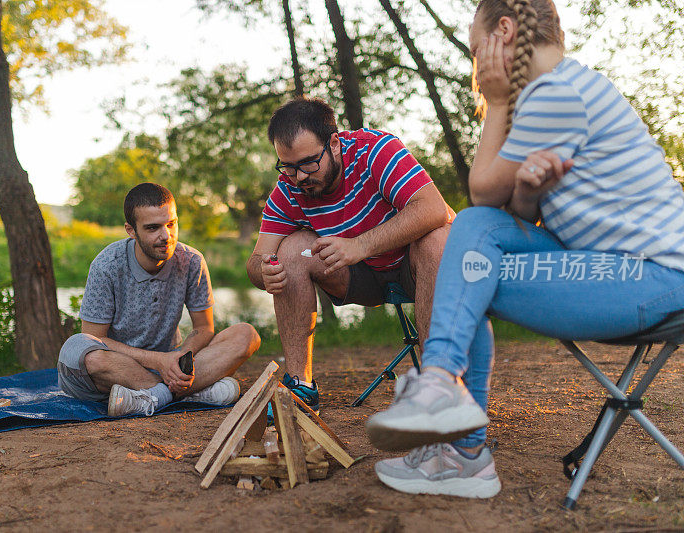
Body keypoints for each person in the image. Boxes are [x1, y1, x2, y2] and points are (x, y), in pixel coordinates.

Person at [366, 0, 684, 499]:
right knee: (475, 231)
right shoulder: (567, 87)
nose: (476, 65)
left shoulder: (554, 93)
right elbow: (511, 212)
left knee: (472, 265)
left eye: (476, 50)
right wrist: (533, 190)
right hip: (614, 265)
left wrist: (494, 104)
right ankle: (445, 396)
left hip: (655, 279)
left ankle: (456, 426)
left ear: (505, 31)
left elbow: (484, 188)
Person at [246, 97, 455, 412]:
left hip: (416, 268)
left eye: (308, 163)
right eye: (288, 166)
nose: (299, 176)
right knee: (289, 251)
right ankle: (300, 386)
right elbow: (256, 260)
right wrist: (263, 272)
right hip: (358, 278)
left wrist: (359, 246)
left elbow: (434, 209)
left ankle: (438, 384)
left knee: (437, 238)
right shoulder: (288, 188)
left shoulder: (376, 151)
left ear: (334, 143)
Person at [58, 183, 261, 417]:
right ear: (131, 230)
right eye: (153, 228)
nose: (166, 236)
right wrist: (158, 361)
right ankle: (191, 393)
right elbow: (94, 338)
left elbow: (204, 328)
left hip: (172, 360)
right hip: (120, 365)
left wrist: (180, 359)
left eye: (171, 224)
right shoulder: (106, 266)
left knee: (246, 335)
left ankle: (155, 395)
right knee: (84, 354)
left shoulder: (192, 261)